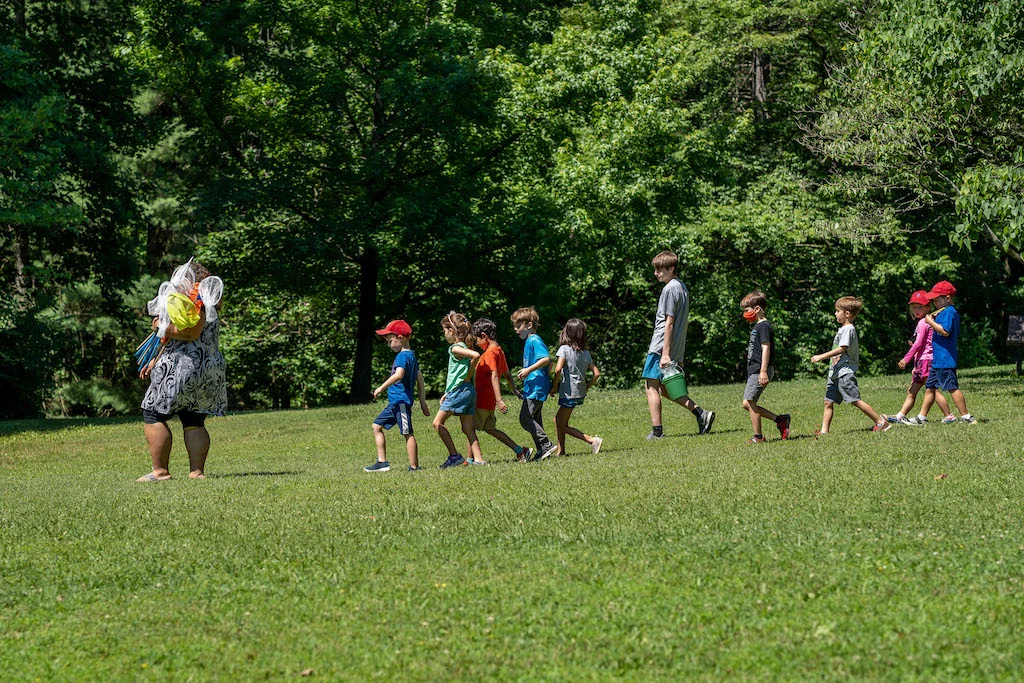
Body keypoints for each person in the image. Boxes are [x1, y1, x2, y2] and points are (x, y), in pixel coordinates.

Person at [137, 261, 226, 481]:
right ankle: (196, 473)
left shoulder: (197, 302)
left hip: (181, 367)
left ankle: (160, 472)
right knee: (193, 419)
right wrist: (154, 360)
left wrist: (161, 326)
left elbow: (190, 333)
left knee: (153, 413)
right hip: (206, 368)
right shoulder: (209, 301)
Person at [642, 250, 714, 440]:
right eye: (655, 270)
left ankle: (657, 432)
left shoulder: (669, 289)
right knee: (667, 389)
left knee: (651, 387)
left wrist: (665, 353)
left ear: (671, 268)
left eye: (660, 270)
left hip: (660, 346)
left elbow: (669, 322)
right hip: (674, 346)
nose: (656, 273)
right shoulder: (681, 287)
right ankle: (701, 414)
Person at [811, 296, 891, 434]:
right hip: (835, 372)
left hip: (844, 372)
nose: (835, 314)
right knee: (828, 402)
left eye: (837, 311)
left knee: (855, 400)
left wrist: (821, 356)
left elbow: (842, 348)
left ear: (847, 314)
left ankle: (881, 422)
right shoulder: (843, 329)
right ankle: (824, 432)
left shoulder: (849, 329)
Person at [364, 320, 430, 472]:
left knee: (407, 433)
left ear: (400, 338)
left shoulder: (402, 357)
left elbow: (399, 375)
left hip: (401, 402)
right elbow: (420, 380)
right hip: (394, 403)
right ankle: (382, 462)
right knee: (376, 426)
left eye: (390, 341)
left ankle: (414, 467)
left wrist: (381, 387)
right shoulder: (412, 356)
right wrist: (422, 402)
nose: (389, 345)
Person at [880, 291, 950, 425]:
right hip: (921, 361)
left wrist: (906, 359)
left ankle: (949, 415)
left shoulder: (924, 323)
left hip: (927, 361)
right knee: (913, 390)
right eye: (914, 307)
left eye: (920, 307)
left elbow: (918, 344)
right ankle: (900, 416)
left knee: (932, 390)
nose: (917, 310)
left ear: (928, 307)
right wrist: (915, 365)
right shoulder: (924, 322)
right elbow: (920, 345)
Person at [913, 280, 977, 424]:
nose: (935, 302)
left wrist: (931, 323)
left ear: (947, 298)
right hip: (938, 359)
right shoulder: (943, 311)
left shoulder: (949, 312)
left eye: (937, 299)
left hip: (945, 359)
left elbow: (945, 331)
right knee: (930, 387)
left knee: (952, 387)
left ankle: (967, 417)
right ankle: (921, 418)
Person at [471, 318, 533, 463]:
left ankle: (472, 459)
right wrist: (515, 391)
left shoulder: (490, 353)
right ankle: (520, 450)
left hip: (484, 399)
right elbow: (508, 375)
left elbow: (494, 375)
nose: (477, 344)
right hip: (489, 400)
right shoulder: (499, 351)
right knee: (490, 428)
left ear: (484, 336)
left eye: (477, 340)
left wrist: (499, 400)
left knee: (469, 428)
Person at [433, 311, 485, 468]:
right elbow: (456, 374)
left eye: (444, 330)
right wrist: (447, 393)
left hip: (460, 390)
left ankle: (454, 455)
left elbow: (476, 355)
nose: (444, 334)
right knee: (467, 428)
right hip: (467, 390)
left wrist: (469, 373)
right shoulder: (461, 347)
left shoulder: (455, 348)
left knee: (437, 423)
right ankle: (479, 459)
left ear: (451, 330)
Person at [740, 291, 790, 443]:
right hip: (755, 370)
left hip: (760, 370)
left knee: (749, 402)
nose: (745, 314)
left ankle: (758, 437)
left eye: (747, 310)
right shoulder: (759, 326)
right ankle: (780, 420)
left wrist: (763, 371)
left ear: (757, 309)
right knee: (747, 403)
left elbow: (766, 348)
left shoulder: (764, 326)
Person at [550, 318, 603, 455]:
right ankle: (561, 451)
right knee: (559, 420)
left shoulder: (564, 349)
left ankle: (592, 440)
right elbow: (596, 374)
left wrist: (554, 386)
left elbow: (557, 369)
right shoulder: (585, 352)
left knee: (560, 423)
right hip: (579, 391)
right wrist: (587, 387)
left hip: (569, 391)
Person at [510, 306, 557, 460]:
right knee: (534, 418)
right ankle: (542, 450)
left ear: (529, 325)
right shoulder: (530, 341)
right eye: (515, 326)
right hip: (534, 385)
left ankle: (546, 444)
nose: (516, 330)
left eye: (518, 326)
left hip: (536, 387)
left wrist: (529, 370)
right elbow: (548, 366)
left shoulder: (534, 340)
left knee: (525, 418)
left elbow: (546, 360)